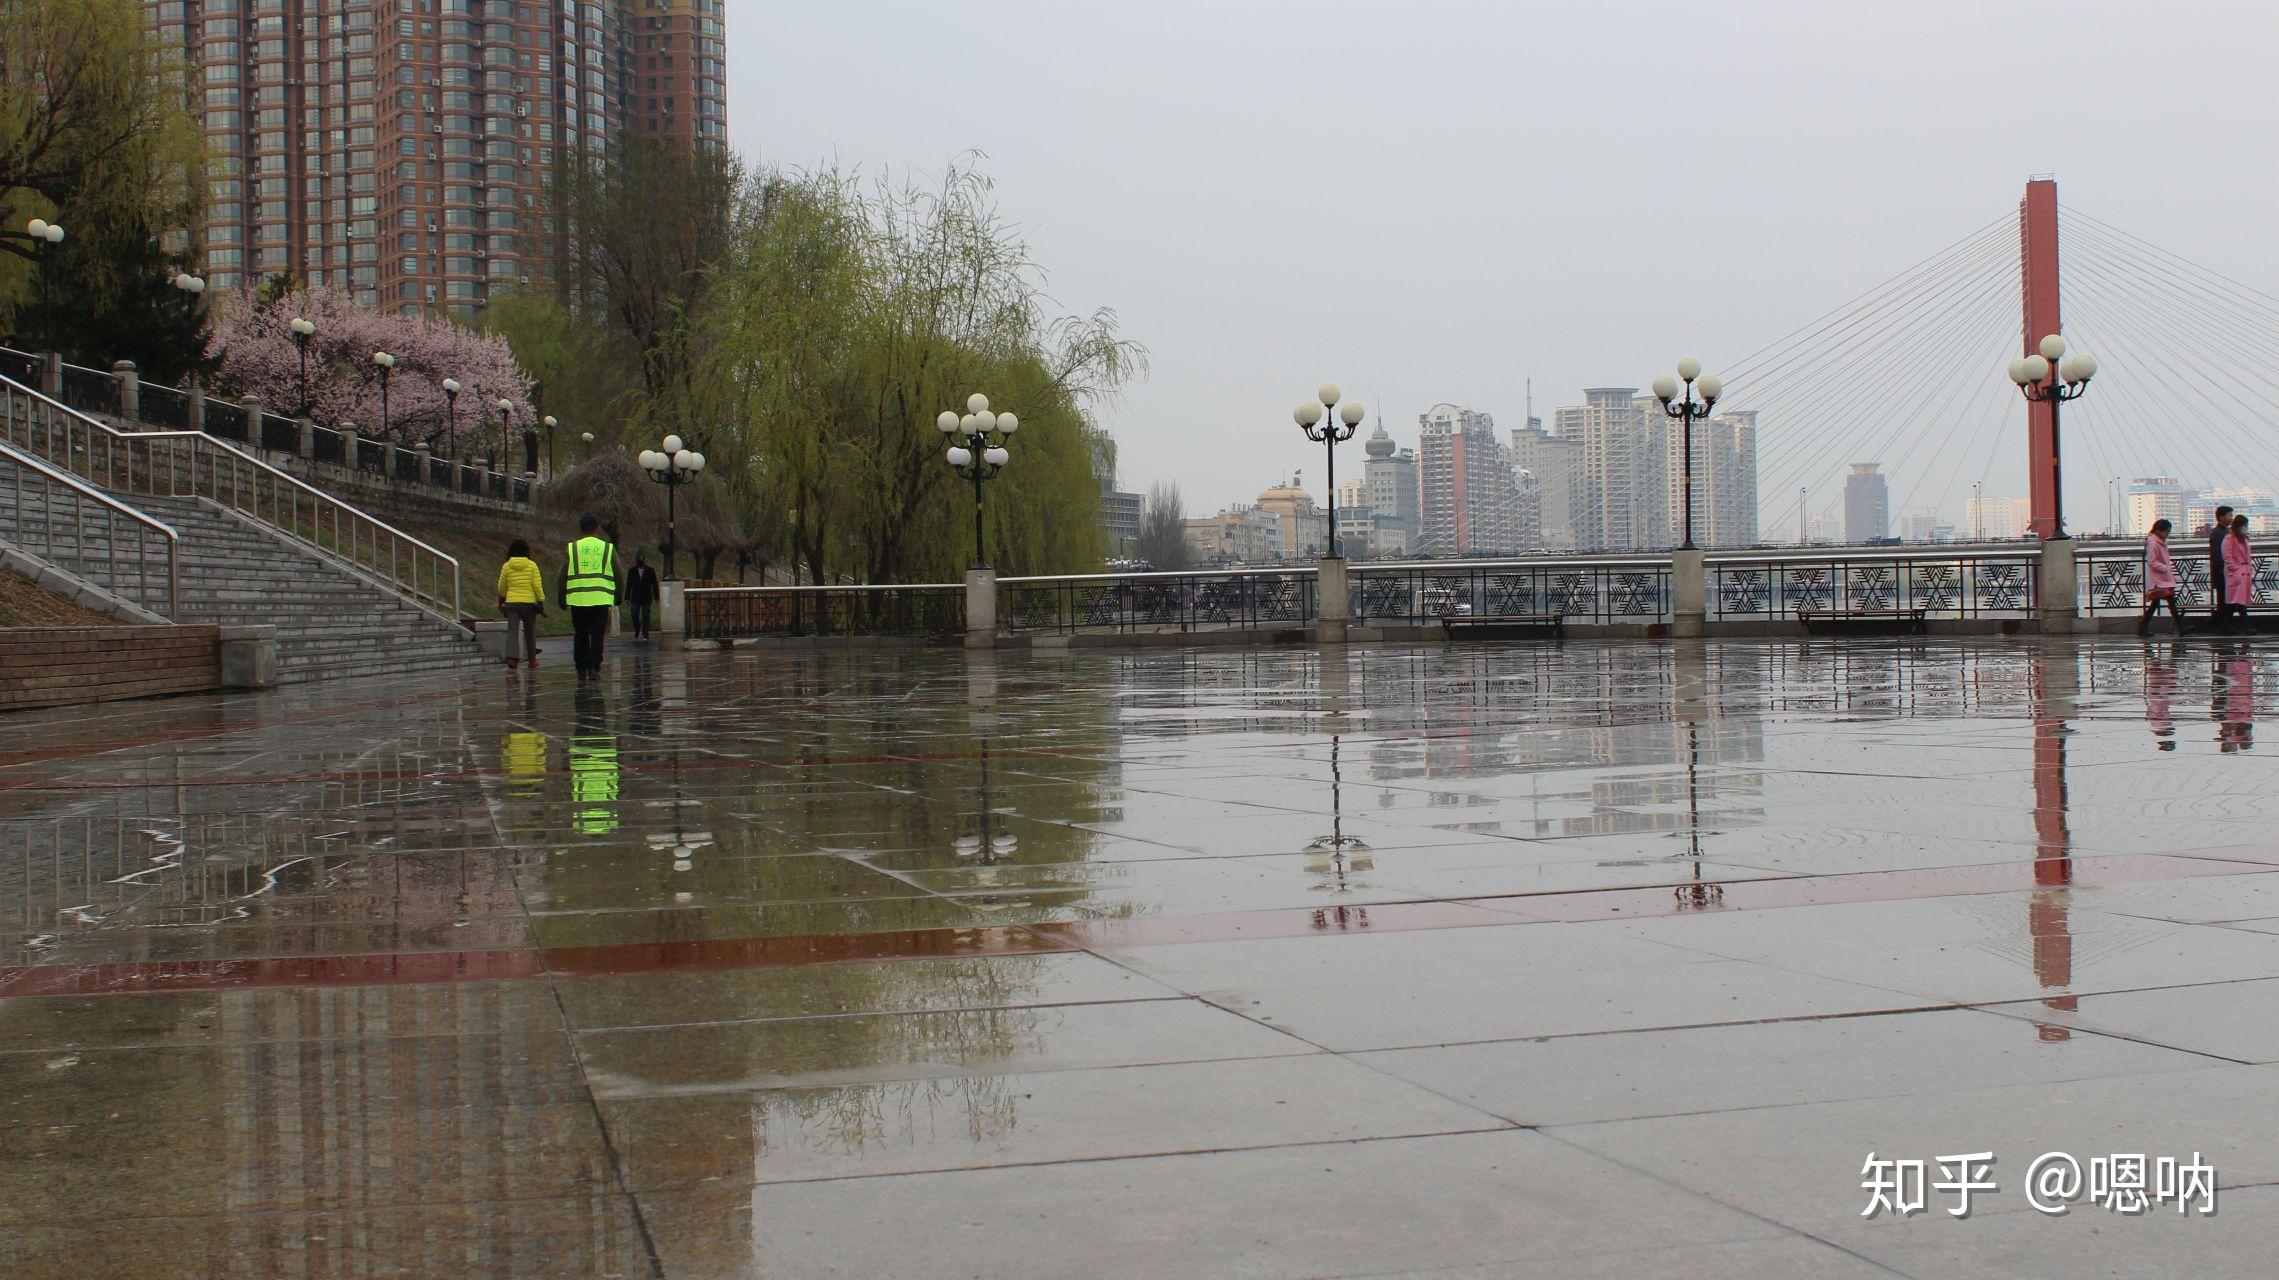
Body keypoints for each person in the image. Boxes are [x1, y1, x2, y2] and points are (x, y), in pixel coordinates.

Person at [558, 513, 619, 679]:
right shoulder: (607, 548)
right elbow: (619, 573)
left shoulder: (572, 548)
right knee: (597, 634)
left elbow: (562, 575)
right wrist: (618, 594)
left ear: (581, 529)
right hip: (601, 598)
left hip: (578, 599)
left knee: (580, 633)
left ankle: (581, 667)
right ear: (598, 528)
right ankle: (594, 667)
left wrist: (562, 596)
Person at [496, 538, 546, 668]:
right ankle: (532, 661)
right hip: (529, 604)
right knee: (530, 632)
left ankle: (512, 658)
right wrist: (541, 599)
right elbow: (537, 586)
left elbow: (501, 587)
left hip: (512, 603)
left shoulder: (507, 566)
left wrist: (503, 598)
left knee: (512, 631)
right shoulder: (532, 565)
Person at [2140, 518, 2185, 636]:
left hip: (2162, 579)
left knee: (2156, 604)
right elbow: (2152, 561)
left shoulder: (2158, 542)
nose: (2167, 535)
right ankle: (2181, 627)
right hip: (2159, 580)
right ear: (2160, 531)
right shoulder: (2154, 543)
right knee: (2171, 602)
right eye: (2167, 532)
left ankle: (2143, 626)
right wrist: (2165, 568)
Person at [2222, 513, 2254, 632]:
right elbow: (2227, 556)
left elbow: (2247, 556)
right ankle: (2244, 626)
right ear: (2239, 526)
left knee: (2236, 601)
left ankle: (2227, 626)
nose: (2246, 528)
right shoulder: (2229, 538)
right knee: (2238, 601)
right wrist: (2235, 569)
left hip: (2244, 573)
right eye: (2244, 525)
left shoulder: (2244, 538)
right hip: (2236, 575)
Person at [2207, 504, 2234, 628]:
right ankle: (2222, 626)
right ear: (2221, 517)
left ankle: (2221, 623)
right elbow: (2217, 554)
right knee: (2223, 600)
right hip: (2221, 572)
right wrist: (2223, 569)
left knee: (2226, 600)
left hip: (2225, 572)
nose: (2231, 518)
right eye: (2229, 515)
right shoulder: (2217, 533)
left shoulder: (2225, 531)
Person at [625, 550, 661, 641]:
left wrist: (656, 597)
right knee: (634, 614)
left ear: (644, 560)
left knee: (646, 615)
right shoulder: (632, 571)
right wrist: (627, 597)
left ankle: (645, 634)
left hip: (646, 597)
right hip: (635, 597)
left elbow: (654, 584)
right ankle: (637, 628)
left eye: (641, 560)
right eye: (639, 560)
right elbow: (628, 584)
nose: (640, 562)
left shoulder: (650, 571)